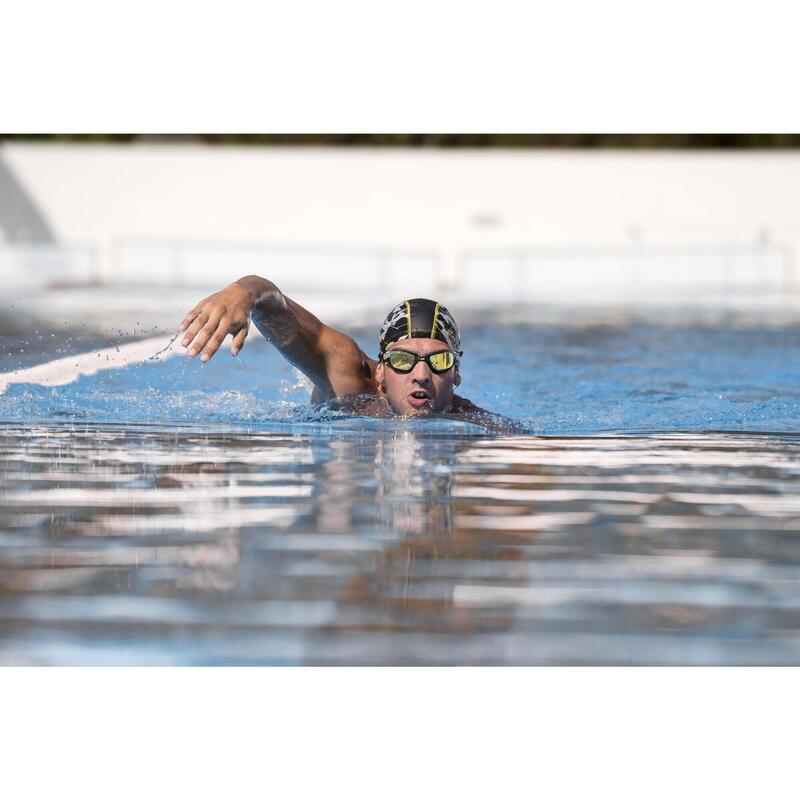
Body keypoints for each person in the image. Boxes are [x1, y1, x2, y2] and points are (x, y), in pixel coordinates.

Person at [179, 275, 519, 430]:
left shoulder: (477, 422)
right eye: (402, 360)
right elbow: (277, 309)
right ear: (382, 371)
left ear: (457, 374)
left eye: (439, 361)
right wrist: (246, 289)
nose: (420, 375)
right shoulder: (350, 377)